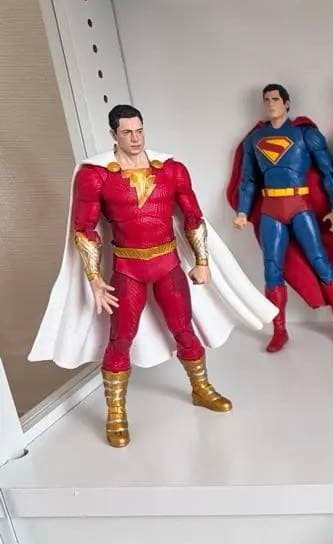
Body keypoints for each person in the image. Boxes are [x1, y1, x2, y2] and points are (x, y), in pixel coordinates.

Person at [30, 104, 275, 447]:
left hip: (167, 265)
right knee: (120, 340)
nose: (135, 138)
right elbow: (84, 230)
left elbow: (193, 217)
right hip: (127, 269)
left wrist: (202, 261)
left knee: (184, 330)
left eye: (139, 130)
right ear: (113, 134)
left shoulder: (171, 169)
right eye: (127, 132)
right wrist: (94, 278)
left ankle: (201, 388)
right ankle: (116, 413)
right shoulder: (96, 175)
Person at [229, 83, 333, 352]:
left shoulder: (306, 134)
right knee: (272, 270)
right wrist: (242, 210)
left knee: (321, 262)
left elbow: (330, 174)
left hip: (299, 206)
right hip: (270, 209)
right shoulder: (255, 139)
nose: (271, 104)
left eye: (275, 99)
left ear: (286, 103)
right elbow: (248, 179)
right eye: (266, 100)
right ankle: (280, 330)